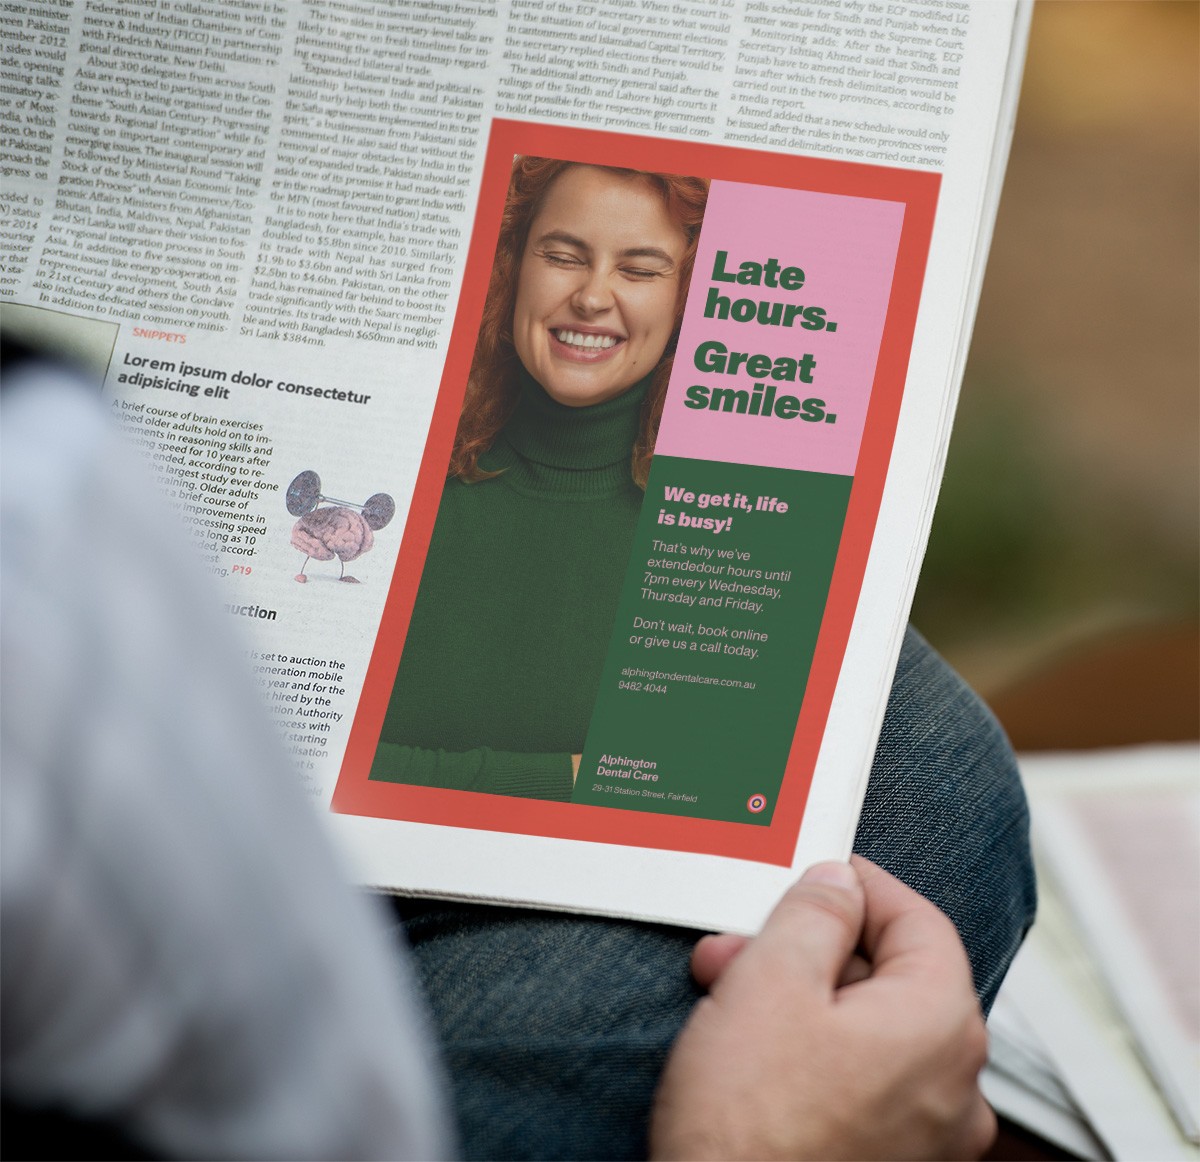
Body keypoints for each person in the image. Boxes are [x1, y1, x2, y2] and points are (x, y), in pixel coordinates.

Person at [371, 159, 709, 798]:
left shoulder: (717, 529)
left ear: (691, 294)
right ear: (511, 267)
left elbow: (708, 787)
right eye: (563, 256)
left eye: (639, 270)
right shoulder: (389, 483)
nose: (591, 296)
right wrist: (561, 781)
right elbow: (281, 768)